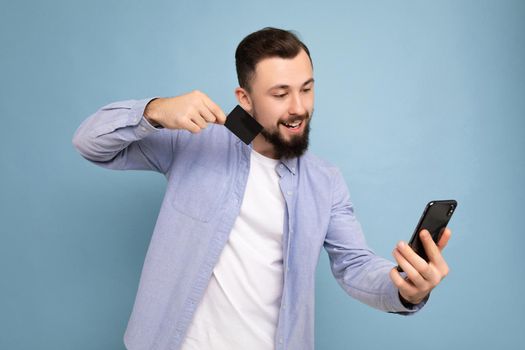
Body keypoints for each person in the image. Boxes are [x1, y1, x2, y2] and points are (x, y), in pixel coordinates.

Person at [73, 27, 451, 350]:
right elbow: (90, 144)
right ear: (244, 99)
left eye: (306, 89)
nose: (298, 107)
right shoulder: (192, 142)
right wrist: (154, 111)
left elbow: (355, 266)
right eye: (280, 93)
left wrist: (405, 289)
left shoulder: (325, 181)